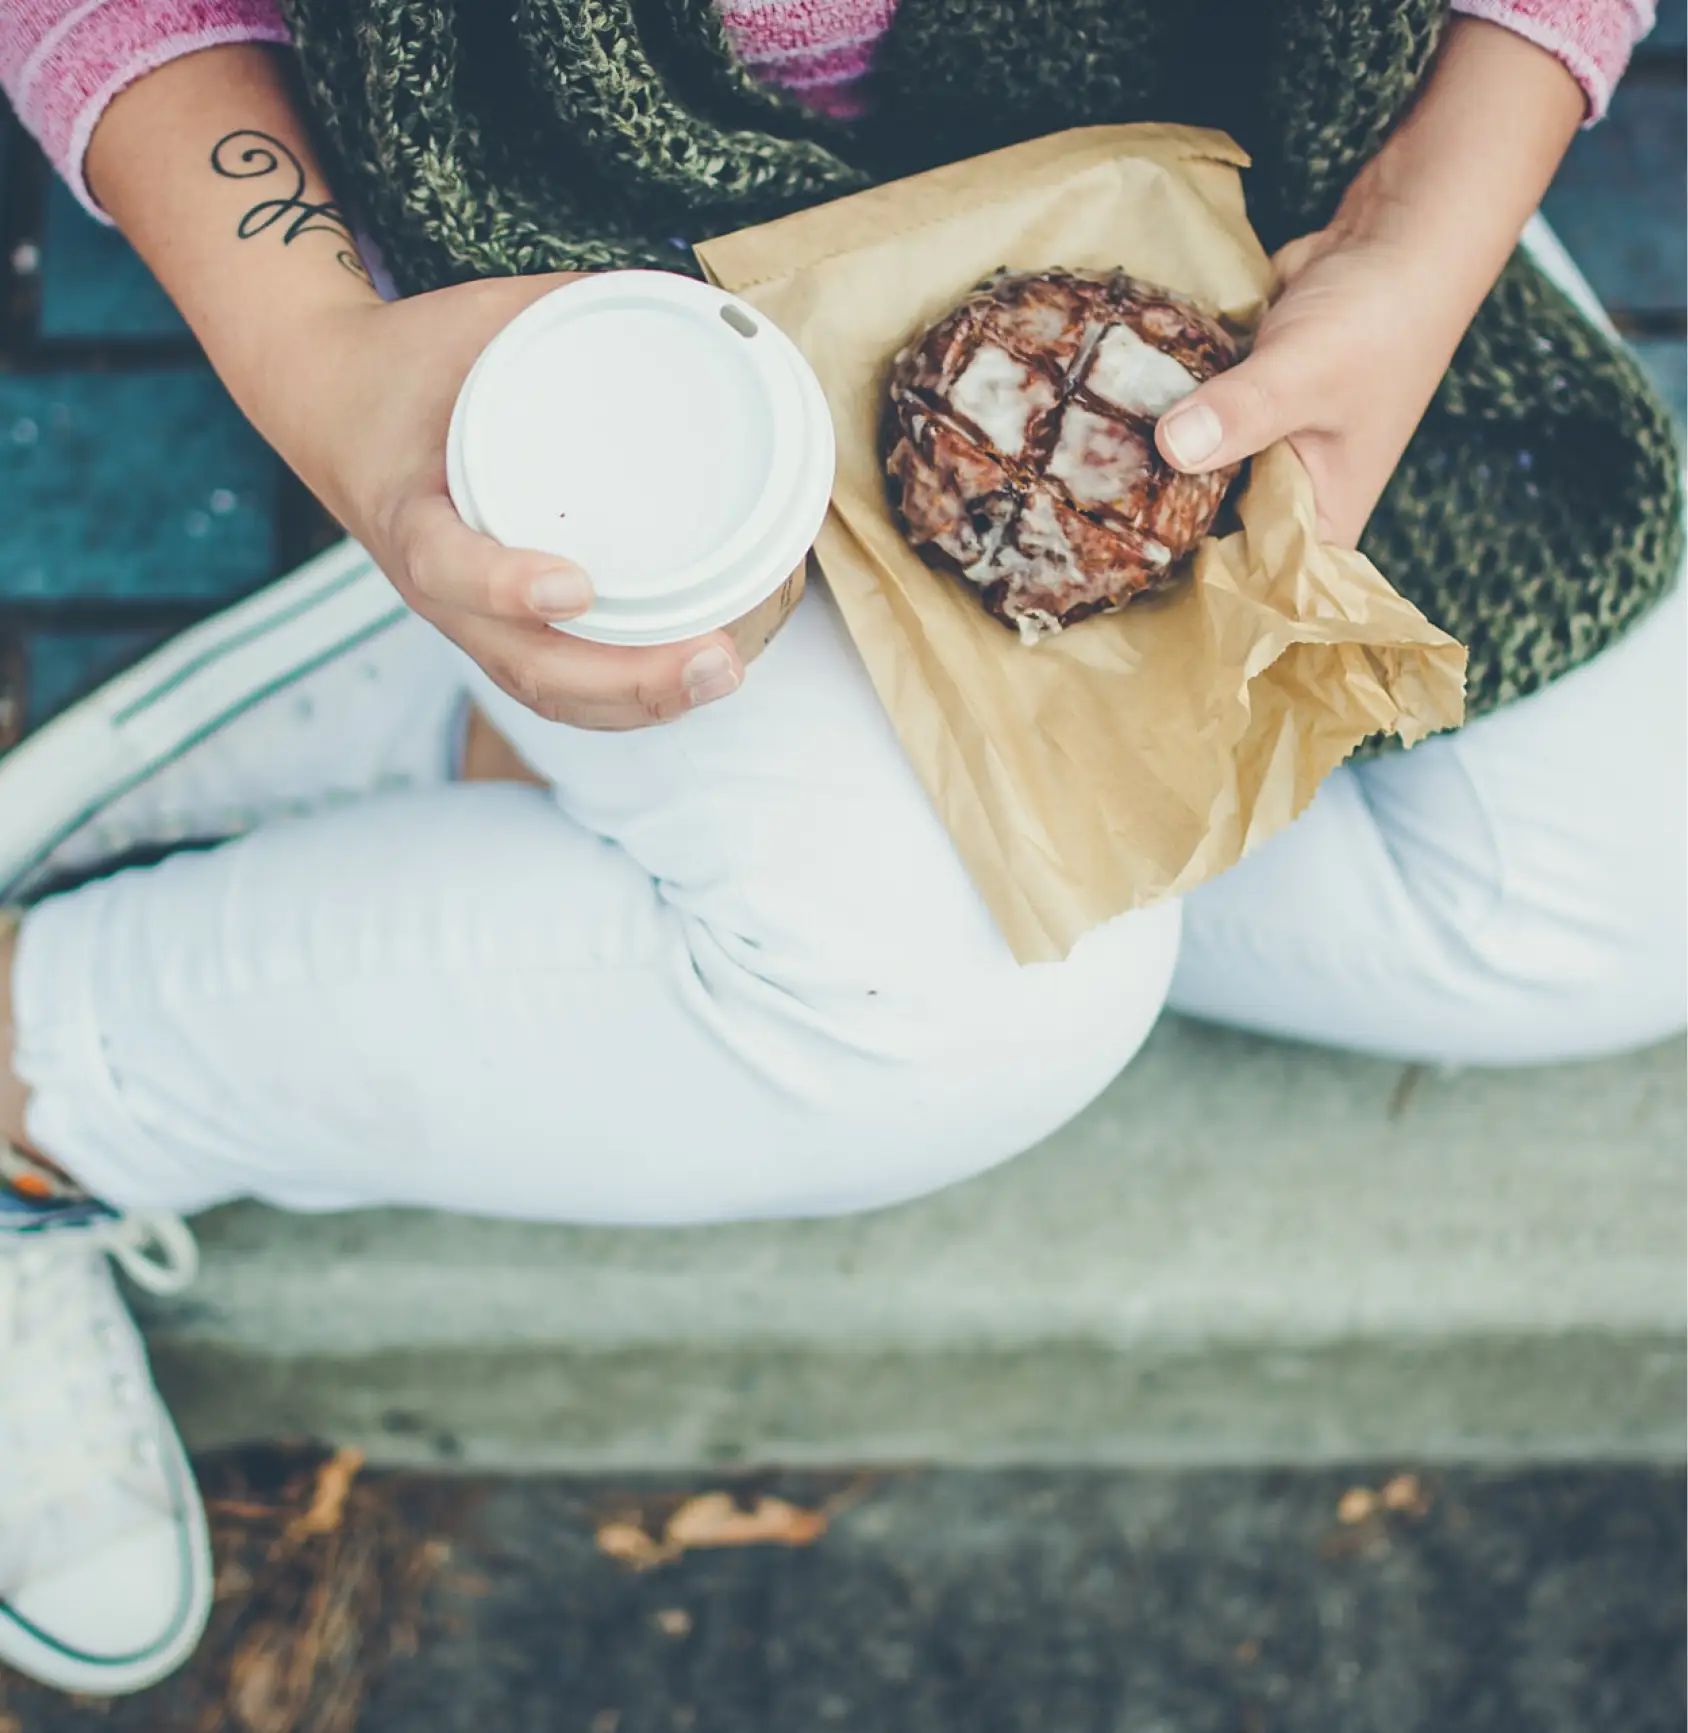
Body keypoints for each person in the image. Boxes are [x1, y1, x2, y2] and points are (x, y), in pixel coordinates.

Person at [0, 0, 1680, 1696]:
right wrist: (319, 360)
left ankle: (516, 744)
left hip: (1232, 136)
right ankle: (47, 1088)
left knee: (1614, 905)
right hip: (588, 262)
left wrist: (1430, 223)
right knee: (974, 1008)